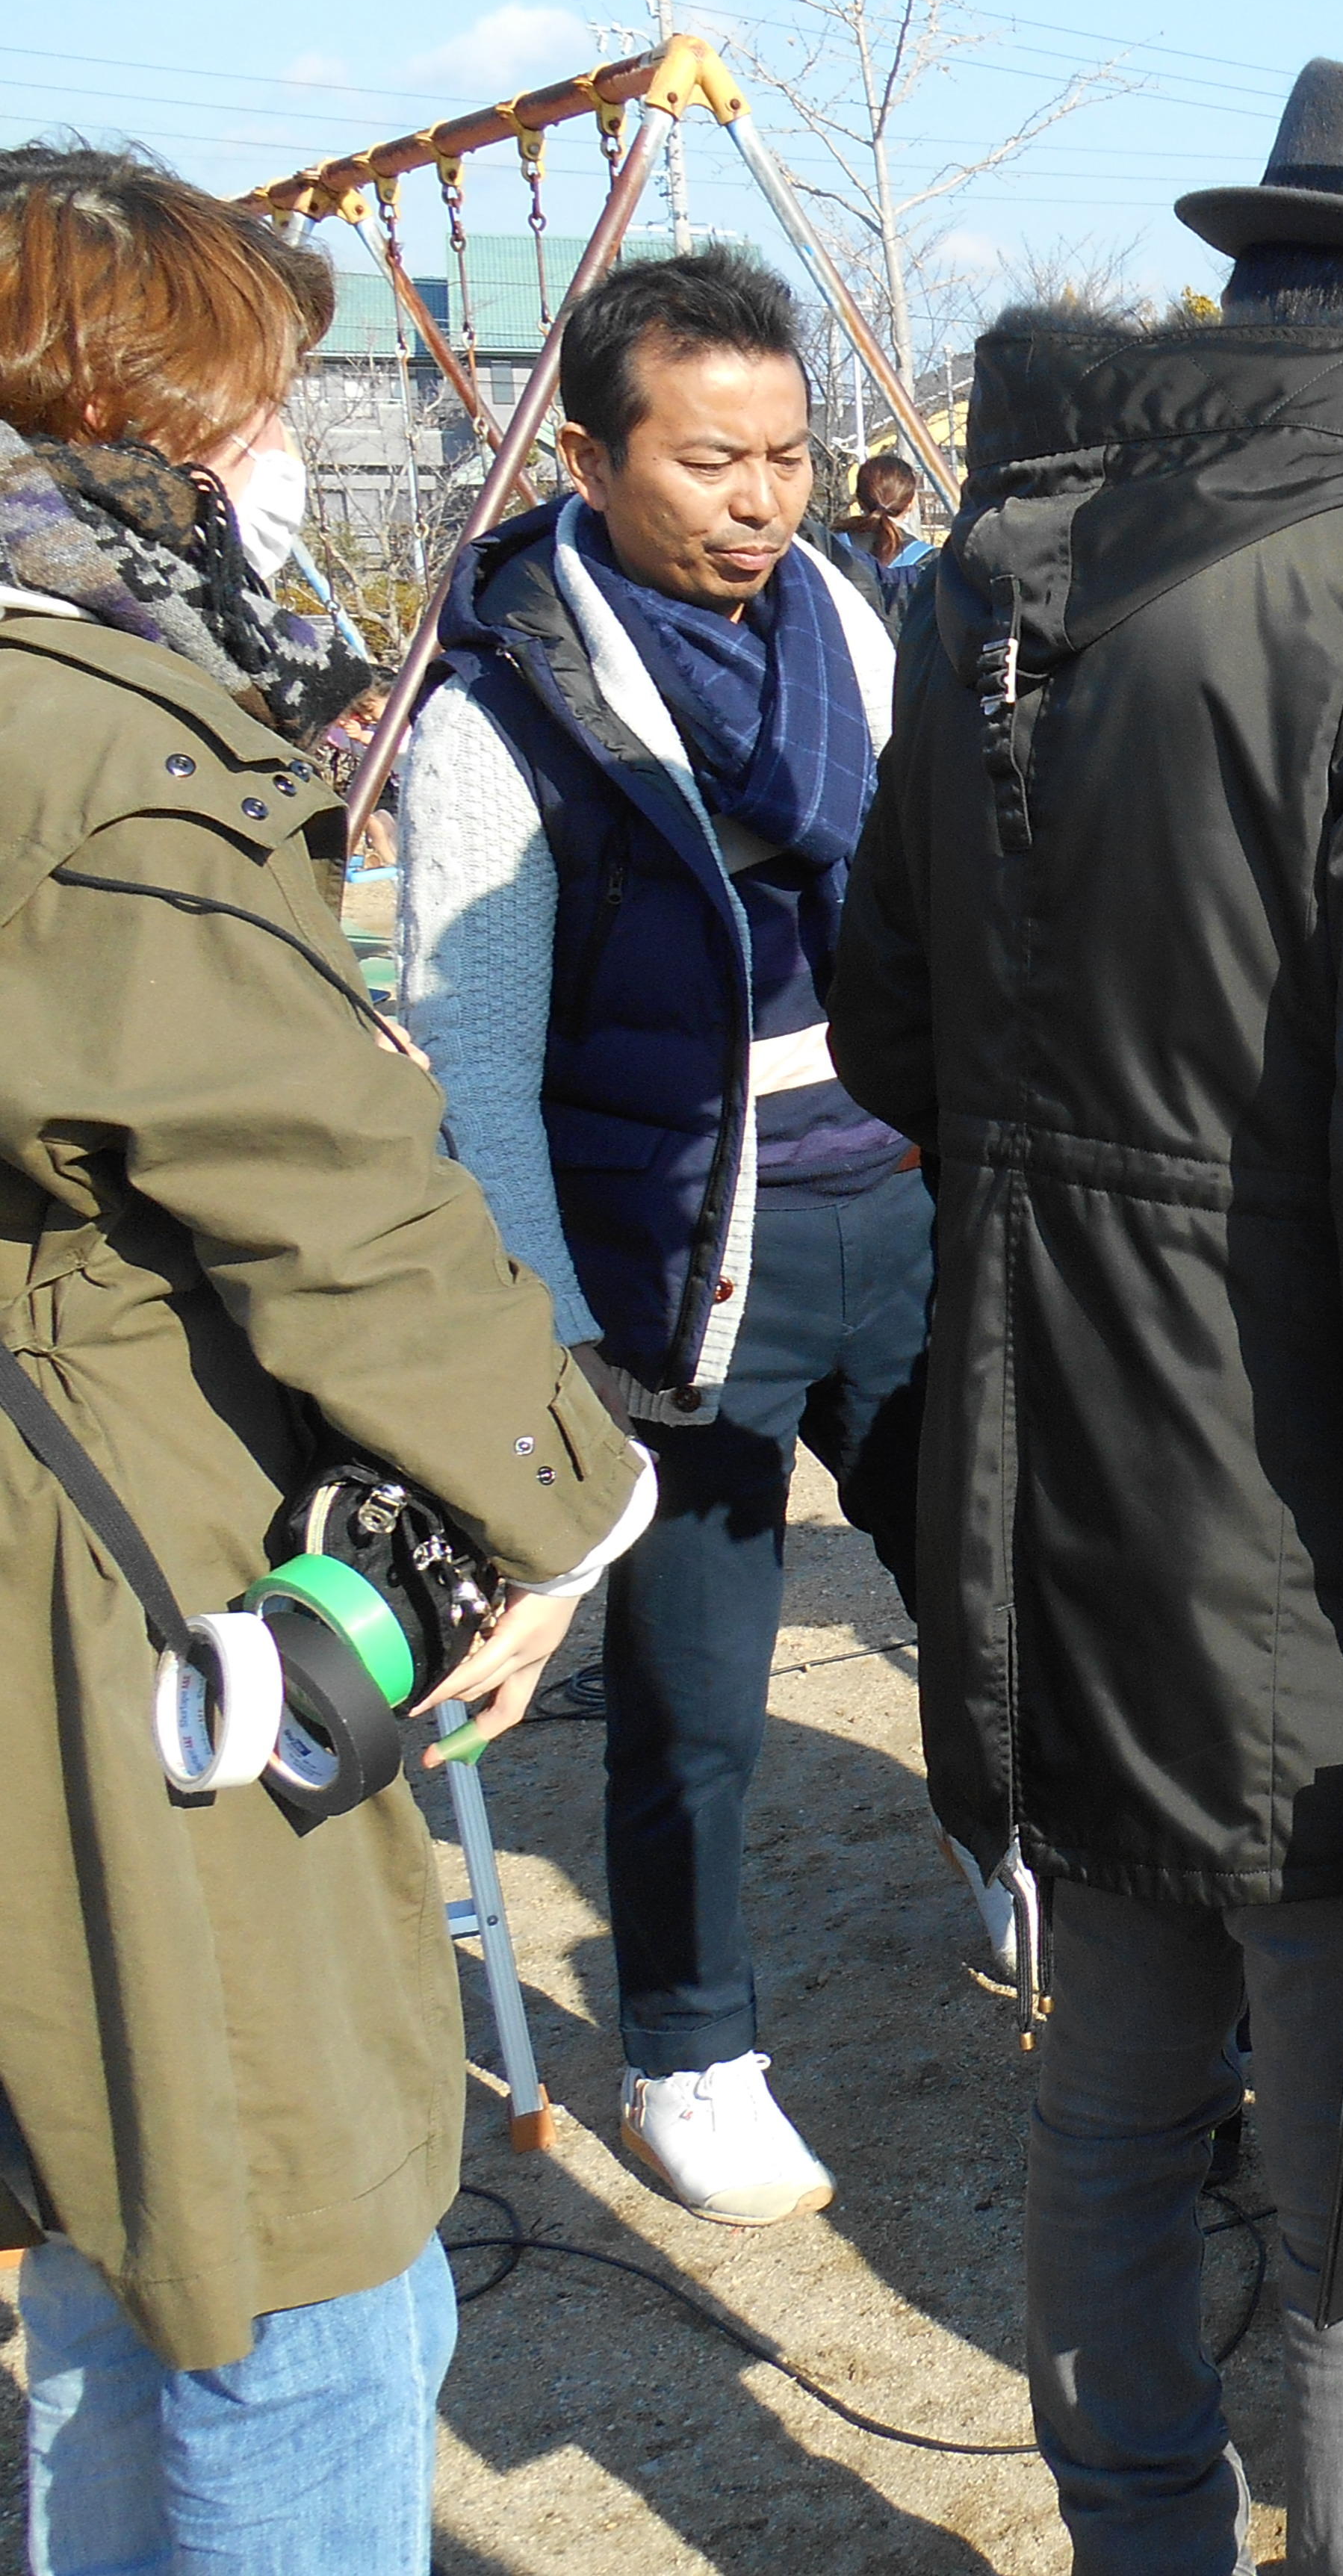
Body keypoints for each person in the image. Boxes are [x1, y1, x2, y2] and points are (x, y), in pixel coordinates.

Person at [829, 58, 1343, 2572]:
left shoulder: (994, 561)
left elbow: (886, 1018)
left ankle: (1138, 2537)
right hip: (1310, 1523)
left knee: (1113, 2087)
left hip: (1027, 1477)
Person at [0, 142, 650, 2572]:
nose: (290, 453)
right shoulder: (80, 739)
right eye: (267, 400)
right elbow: (318, 1175)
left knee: (110, 2223)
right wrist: (558, 1486)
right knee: (295, 2261)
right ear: (144, 407)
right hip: (114, 1544)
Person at [395, 244, 933, 2226]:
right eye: (713, 459)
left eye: (791, 453)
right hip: (686, 1266)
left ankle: (1011, 1847)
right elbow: (476, 1064)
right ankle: (689, 2050)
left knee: (985, 1585)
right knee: (696, 1699)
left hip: (901, 1200)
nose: (764, 498)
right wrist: (554, 1351)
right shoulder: (506, 719)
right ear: (597, 453)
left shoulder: (846, 636)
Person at [819, 447, 937, 633]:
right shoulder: (930, 564)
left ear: (858, 499)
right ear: (911, 503)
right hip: (906, 660)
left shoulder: (826, 551)